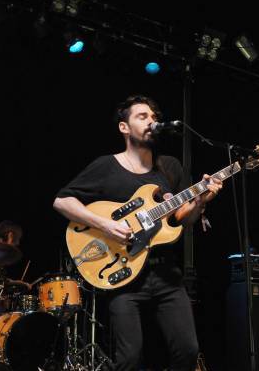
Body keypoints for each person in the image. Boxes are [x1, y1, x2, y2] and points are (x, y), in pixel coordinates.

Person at [53, 95, 222, 371]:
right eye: (142, 117)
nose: (152, 121)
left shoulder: (168, 168)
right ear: (124, 127)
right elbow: (62, 201)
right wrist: (105, 224)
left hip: (166, 276)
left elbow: (181, 219)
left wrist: (201, 200)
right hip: (124, 276)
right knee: (129, 359)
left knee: (188, 352)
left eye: (154, 117)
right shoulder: (106, 166)